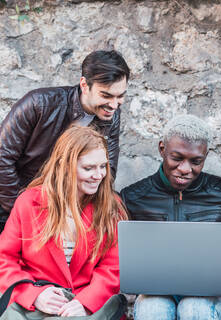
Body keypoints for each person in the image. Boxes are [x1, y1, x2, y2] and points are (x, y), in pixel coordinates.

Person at [120, 114, 221, 320]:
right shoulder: (133, 197)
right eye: (177, 158)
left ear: (205, 156)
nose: (185, 169)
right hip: (156, 295)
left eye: (196, 161)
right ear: (162, 149)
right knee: (153, 310)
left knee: (194, 308)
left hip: (213, 296)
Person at [0, 126, 127, 318]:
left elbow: (113, 267)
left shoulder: (111, 206)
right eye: (88, 168)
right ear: (65, 166)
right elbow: (4, 259)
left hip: (89, 311)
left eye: (103, 166)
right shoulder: (29, 202)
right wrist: (33, 295)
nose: (99, 175)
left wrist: (85, 302)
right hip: (36, 310)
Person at [0, 50, 130, 232]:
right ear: (84, 85)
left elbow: (108, 172)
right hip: (13, 208)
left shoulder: (111, 115)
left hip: (69, 214)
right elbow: (2, 158)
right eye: (106, 96)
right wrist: (20, 210)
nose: (114, 105)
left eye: (120, 96)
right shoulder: (39, 104)